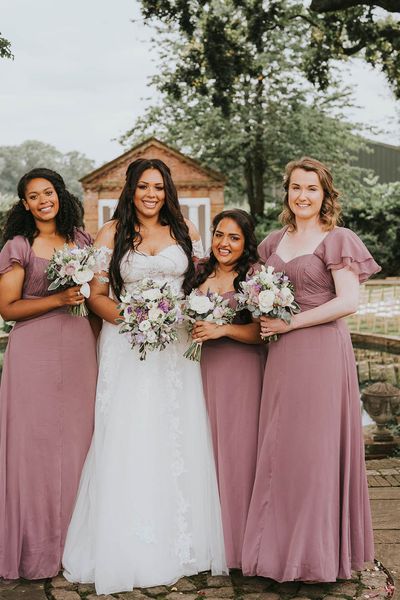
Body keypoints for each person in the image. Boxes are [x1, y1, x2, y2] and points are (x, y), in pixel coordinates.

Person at [62, 158, 227, 595]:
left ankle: (182, 540)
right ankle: (126, 542)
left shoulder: (184, 231)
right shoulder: (112, 233)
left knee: (174, 431)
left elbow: (200, 284)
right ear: (131, 190)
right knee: (128, 430)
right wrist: (133, 320)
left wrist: (196, 313)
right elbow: (95, 296)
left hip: (173, 348)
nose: (151, 194)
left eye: (158, 186)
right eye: (143, 186)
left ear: (166, 190)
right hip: (125, 343)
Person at [242, 157, 380, 583]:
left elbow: (348, 302)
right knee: (281, 448)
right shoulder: (271, 243)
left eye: (312, 189)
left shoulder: (338, 239)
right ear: (287, 192)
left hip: (321, 352)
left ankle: (316, 556)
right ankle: (277, 551)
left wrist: (292, 322)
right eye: (296, 188)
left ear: (325, 195)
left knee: (315, 451)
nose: (303, 196)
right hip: (281, 356)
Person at [0, 168, 97, 580]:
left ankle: (75, 544)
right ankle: (34, 547)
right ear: (25, 204)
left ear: (59, 194)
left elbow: (97, 295)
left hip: (78, 349)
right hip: (33, 352)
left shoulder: (80, 240)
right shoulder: (19, 246)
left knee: (79, 442)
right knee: (34, 448)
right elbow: (8, 308)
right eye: (33, 195)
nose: (43, 200)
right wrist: (59, 298)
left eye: (49, 192)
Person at [192, 209, 266, 569]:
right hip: (200, 372)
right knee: (205, 452)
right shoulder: (198, 273)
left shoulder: (253, 277)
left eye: (234, 238)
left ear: (246, 241)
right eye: (220, 235)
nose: (224, 243)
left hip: (241, 372)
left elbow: (260, 332)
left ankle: (239, 547)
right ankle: (207, 541)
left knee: (238, 455)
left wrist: (222, 329)